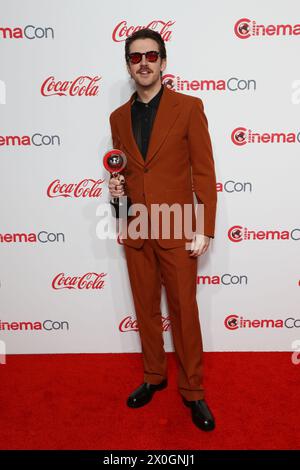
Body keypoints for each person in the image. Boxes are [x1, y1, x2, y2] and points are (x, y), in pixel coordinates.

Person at [108, 28, 217, 431]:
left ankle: (194, 391)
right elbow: (124, 172)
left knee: (185, 312)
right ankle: (154, 375)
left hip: (178, 226)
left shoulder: (189, 107)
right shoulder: (117, 117)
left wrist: (204, 226)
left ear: (164, 62)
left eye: (151, 55)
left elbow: (204, 172)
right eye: (136, 57)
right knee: (146, 311)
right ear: (129, 65)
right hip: (137, 227)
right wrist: (117, 195)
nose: (144, 63)